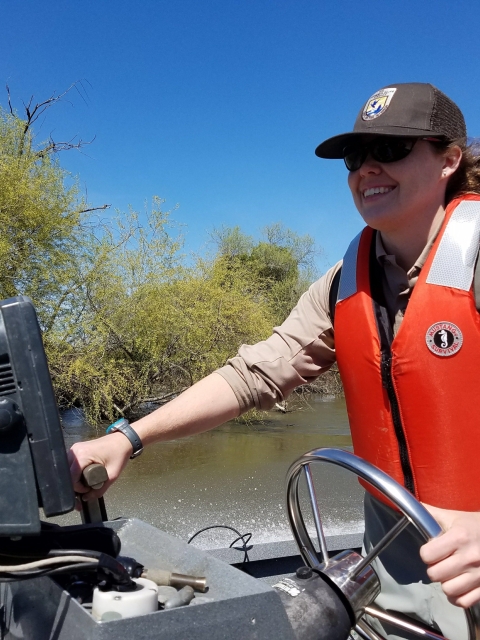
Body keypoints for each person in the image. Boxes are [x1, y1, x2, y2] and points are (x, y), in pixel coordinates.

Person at [69, 82, 480, 638]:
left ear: (449, 159)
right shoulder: (342, 285)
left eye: (391, 150)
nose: (367, 170)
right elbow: (252, 375)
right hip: (390, 574)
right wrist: (125, 438)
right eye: (357, 157)